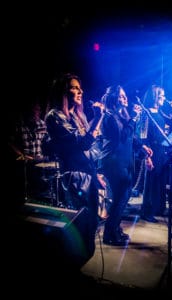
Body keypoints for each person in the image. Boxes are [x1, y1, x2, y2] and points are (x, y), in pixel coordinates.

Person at [44, 72, 105, 263]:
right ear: (64, 91)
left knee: (92, 226)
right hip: (74, 178)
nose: (80, 91)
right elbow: (82, 143)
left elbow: (93, 148)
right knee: (80, 228)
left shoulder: (79, 116)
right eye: (74, 87)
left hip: (88, 175)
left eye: (80, 88)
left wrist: (96, 175)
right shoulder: (55, 116)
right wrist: (98, 119)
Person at [99, 85, 153, 246]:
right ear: (114, 99)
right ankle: (109, 234)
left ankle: (115, 229)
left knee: (123, 197)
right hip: (114, 163)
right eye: (121, 96)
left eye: (124, 96)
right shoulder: (108, 116)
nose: (125, 98)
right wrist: (135, 117)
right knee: (120, 198)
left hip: (124, 161)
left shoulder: (122, 115)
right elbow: (122, 136)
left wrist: (142, 146)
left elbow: (131, 137)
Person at [138, 84, 172, 223]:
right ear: (155, 96)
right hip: (151, 150)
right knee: (150, 183)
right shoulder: (145, 113)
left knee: (160, 181)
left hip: (161, 151)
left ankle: (158, 208)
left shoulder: (159, 112)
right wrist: (147, 157)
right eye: (162, 96)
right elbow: (142, 136)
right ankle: (146, 211)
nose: (164, 98)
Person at [8, 101, 48, 202]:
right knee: (26, 189)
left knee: (40, 187)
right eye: (33, 110)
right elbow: (10, 142)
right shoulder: (19, 124)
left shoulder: (42, 124)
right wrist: (21, 155)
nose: (36, 112)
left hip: (39, 161)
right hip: (24, 162)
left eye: (38, 110)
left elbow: (47, 143)